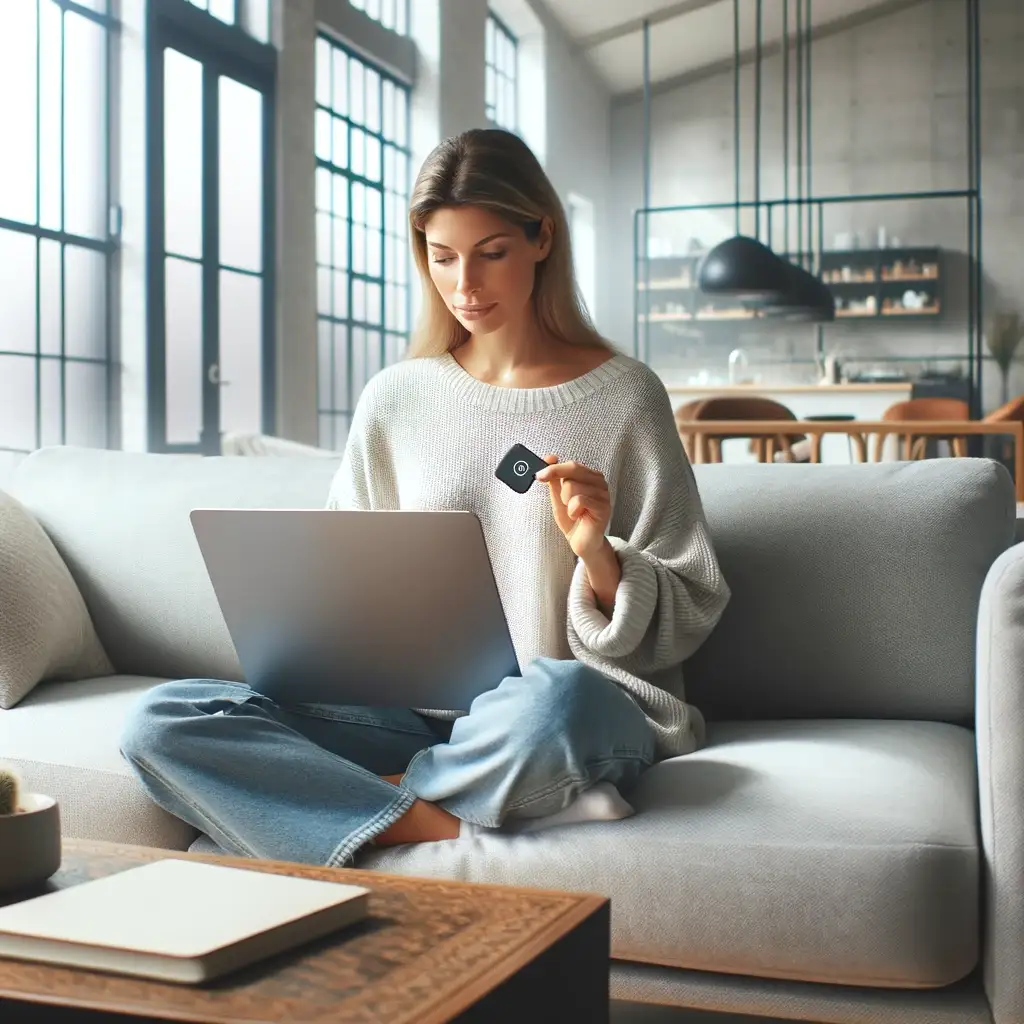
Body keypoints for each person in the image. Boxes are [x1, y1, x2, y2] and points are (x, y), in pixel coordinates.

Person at [120, 129, 730, 868]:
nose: (466, 284)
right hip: (410, 717)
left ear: (542, 238)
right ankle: (454, 818)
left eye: (491, 253)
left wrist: (597, 554)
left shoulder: (626, 396)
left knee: (557, 701)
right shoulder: (396, 398)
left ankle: (344, 806)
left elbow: (692, 599)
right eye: (443, 258)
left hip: (564, 716)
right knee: (163, 721)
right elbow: (347, 578)